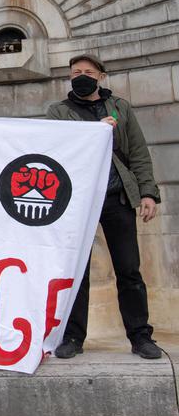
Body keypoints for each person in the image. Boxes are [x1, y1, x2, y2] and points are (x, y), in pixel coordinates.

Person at [47, 54, 162, 360]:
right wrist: (94, 131)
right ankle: (73, 336)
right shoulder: (58, 112)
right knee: (77, 272)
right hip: (79, 201)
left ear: (100, 76)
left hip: (116, 197)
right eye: (75, 72)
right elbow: (57, 149)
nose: (80, 76)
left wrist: (147, 193)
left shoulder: (120, 108)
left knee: (128, 269)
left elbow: (138, 152)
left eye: (87, 72)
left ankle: (140, 336)